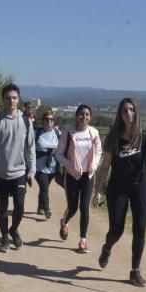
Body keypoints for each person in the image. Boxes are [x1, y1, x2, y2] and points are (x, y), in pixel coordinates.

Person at [93, 97, 146, 286]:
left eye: (131, 110)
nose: (128, 113)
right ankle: (107, 247)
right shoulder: (113, 137)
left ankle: (134, 271)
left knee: (140, 229)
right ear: (119, 114)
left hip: (140, 187)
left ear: (136, 112)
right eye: (124, 110)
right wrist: (98, 189)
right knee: (116, 230)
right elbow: (105, 166)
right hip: (117, 188)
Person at [0, 84, 35, 252]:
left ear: (18, 99)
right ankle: (4, 237)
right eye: (8, 98)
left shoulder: (26, 121)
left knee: (20, 205)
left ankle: (13, 229)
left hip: (19, 172)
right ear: (3, 100)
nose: (11, 100)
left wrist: (32, 170)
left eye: (14, 97)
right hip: (0, 173)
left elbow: (30, 148)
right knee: (2, 208)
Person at [56, 104, 102, 253]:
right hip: (72, 175)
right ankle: (65, 221)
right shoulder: (68, 132)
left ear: (91, 117)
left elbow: (98, 152)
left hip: (88, 175)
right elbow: (59, 154)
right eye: (81, 114)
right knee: (73, 207)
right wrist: (71, 165)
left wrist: (94, 165)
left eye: (87, 114)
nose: (84, 117)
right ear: (76, 116)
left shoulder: (94, 133)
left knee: (84, 208)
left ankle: (83, 240)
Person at [33, 107, 61, 219]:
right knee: (44, 188)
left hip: (53, 167)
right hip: (38, 167)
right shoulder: (37, 132)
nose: (49, 121)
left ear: (54, 121)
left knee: (44, 188)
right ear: (42, 120)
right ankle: (47, 208)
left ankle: (40, 207)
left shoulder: (58, 133)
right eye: (46, 119)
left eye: (51, 119)